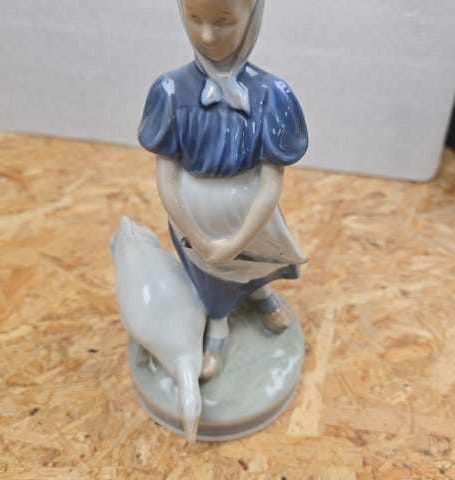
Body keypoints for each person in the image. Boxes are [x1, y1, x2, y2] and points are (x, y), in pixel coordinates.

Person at [138, 0, 308, 380]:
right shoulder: (169, 90)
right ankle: (218, 323)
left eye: (223, 21)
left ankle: (261, 293)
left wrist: (239, 239)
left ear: (252, 17)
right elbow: (166, 177)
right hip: (194, 214)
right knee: (209, 273)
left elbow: (271, 181)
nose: (206, 35)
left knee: (255, 263)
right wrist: (198, 237)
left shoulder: (272, 93)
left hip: (251, 211)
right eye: (194, 18)